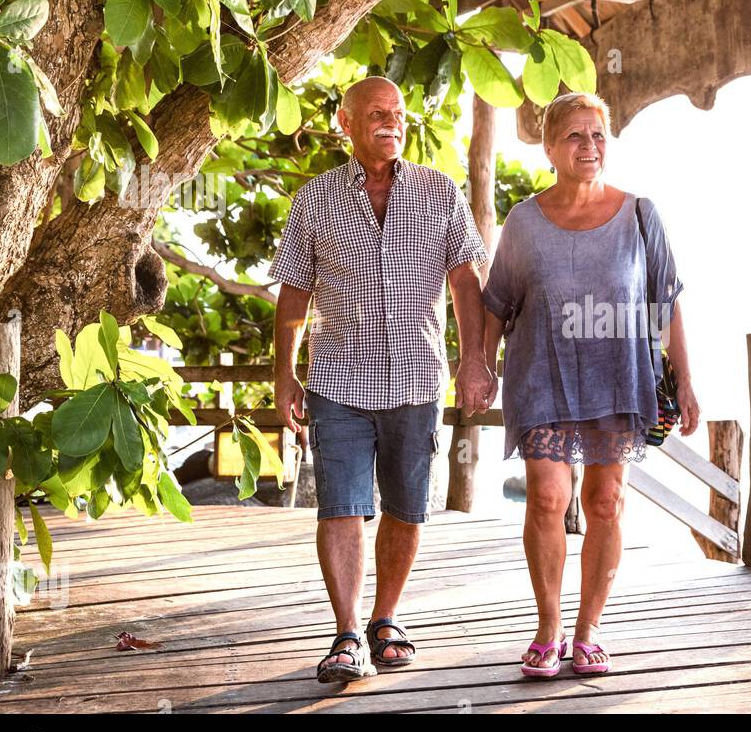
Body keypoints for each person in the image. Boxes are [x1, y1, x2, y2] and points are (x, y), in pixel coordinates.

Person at [269, 76, 495, 683]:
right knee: (340, 507)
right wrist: (284, 373)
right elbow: (293, 293)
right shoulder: (315, 199)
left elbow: (466, 284)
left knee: (406, 508)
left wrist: (475, 358)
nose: (391, 122)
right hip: (336, 380)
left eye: (397, 112)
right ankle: (346, 635)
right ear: (345, 123)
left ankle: (385, 619)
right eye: (376, 113)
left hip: (418, 380)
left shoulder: (440, 192)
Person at [481, 92, 700, 677]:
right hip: (541, 375)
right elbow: (498, 302)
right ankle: (548, 627)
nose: (589, 146)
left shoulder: (639, 214)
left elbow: (666, 303)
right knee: (549, 498)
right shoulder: (523, 220)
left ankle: (589, 629)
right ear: (549, 146)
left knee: (605, 502)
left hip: (619, 376)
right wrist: (477, 365)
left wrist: (686, 381)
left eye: (598, 135)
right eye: (575, 136)